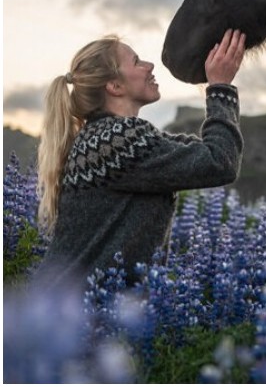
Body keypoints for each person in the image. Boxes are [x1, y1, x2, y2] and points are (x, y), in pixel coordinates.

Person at [36, 28, 247, 285]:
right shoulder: (117, 140)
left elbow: (200, 153)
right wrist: (220, 88)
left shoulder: (109, 136)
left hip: (65, 308)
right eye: (137, 62)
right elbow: (219, 162)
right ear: (114, 86)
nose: (149, 65)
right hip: (81, 316)